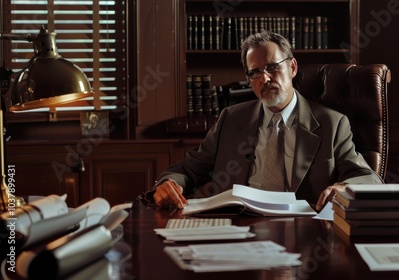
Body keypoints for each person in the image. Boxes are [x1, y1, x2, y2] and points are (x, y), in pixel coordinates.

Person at [147, 31, 382, 212]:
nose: (265, 78)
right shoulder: (231, 119)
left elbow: (369, 178)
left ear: (292, 67)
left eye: (272, 67)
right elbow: (187, 169)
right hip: (238, 228)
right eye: (255, 72)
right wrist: (169, 184)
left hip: (304, 232)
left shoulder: (332, 123)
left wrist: (342, 187)